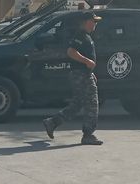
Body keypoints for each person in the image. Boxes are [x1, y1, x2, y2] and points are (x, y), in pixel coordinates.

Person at [43, 11, 103, 146]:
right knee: (92, 104)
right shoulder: (80, 35)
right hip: (81, 75)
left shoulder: (86, 36)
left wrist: (90, 71)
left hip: (83, 73)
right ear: (87, 22)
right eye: (94, 21)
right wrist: (87, 62)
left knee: (77, 104)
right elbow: (71, 52)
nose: (95, 24)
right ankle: (88, 135)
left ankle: (52, 122)